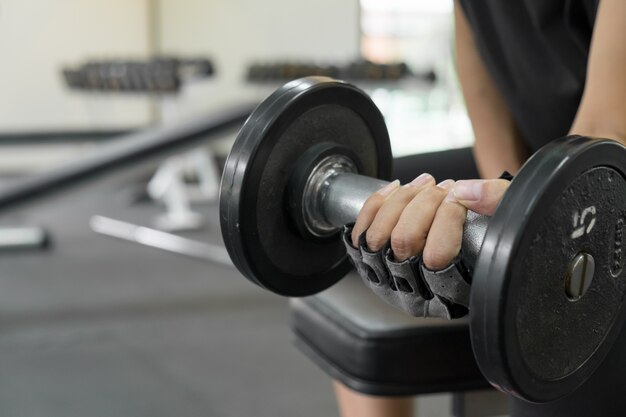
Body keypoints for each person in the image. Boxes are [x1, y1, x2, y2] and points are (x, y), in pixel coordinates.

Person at [334, 0, 626, 416]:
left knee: (552, 363)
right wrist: (496, 201)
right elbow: (485, 104)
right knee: (367, 201)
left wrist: (524, 230)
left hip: (608, 169)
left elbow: (607, 127)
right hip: (540, 165)